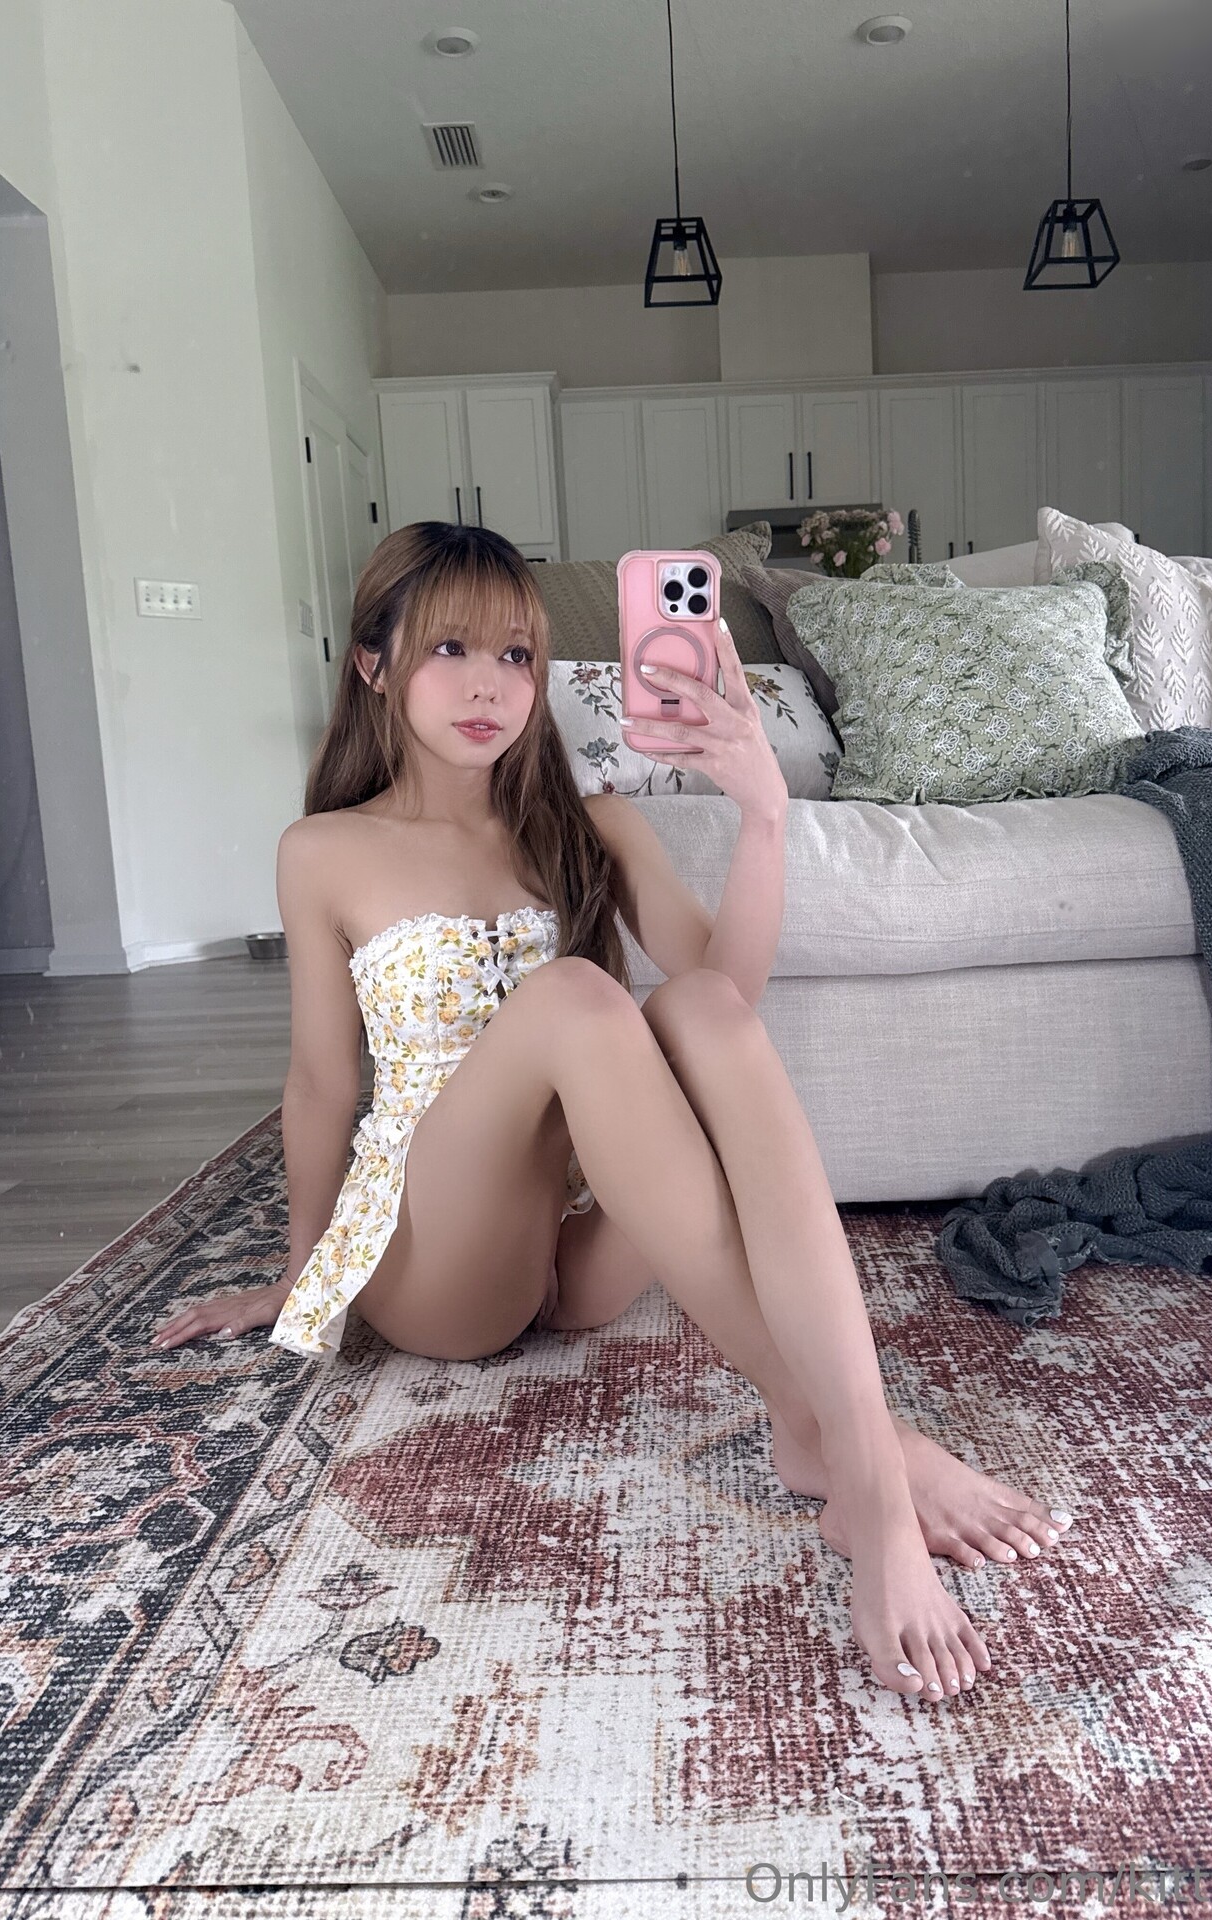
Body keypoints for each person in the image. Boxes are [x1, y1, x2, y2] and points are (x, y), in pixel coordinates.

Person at [149, 520, 1077, 1703]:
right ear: (373, 664)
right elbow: (324, 1084)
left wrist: (764, 814)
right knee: (579, 996)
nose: (489, 686)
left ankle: (834, 1442)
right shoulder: (325, 849)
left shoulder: (591, 826)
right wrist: (300, 1276)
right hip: (434, 1265)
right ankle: (863, 1464)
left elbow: (725, 1008)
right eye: (449, 650)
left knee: (694, 1009)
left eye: (516, 656)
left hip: (570, 1253)